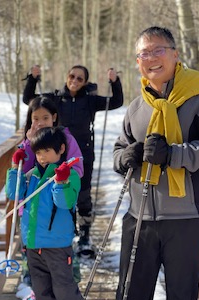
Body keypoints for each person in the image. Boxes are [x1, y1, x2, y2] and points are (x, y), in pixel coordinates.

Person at [113, 26, 199, 300]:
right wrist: (124, 158)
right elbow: (119, 149)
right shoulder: (136, 107)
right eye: (144, 53)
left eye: (159, 50)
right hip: (139, 217)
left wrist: (172, 154)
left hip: (186, 219)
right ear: (137, 61)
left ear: (174, 54)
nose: (151, 58)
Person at [23, 64, 124, 256]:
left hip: (82, 155)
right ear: (67, 77)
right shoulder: (56, 98)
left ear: (85, 82)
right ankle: (65, 230)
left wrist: (114, 81)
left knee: (83, 193)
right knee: (56, 194)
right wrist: (33, 79)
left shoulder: (90, 100)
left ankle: (85, 234)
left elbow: (116, 102)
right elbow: (29, 99)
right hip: (53, 154)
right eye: (72, 76)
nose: (75, 81)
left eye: (80, 78)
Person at [6, 127, 94, 300]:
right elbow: (14, 194)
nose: (42, 156)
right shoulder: (31, 176)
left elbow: (65, 202)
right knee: (43, 295)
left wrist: (61, 182)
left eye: (47, 151)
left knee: (65, 294)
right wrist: (15, 168)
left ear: (61, 149)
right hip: (33, 246)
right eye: (38, 152)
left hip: (57, 247)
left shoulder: (70, 175)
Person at [18, 95, 83, 286]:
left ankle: (66, 292)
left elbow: (77, 168)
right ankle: (36, 294)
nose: (40, 123)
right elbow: (23, 173)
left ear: (54, 117)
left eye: (45, 118)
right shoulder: (29, 141)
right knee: (31, 255)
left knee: (57, 257)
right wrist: (27, 146)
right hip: (31, 209)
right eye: (35, 118)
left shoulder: (66, 139)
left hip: (56, 207)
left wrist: (62, 176)